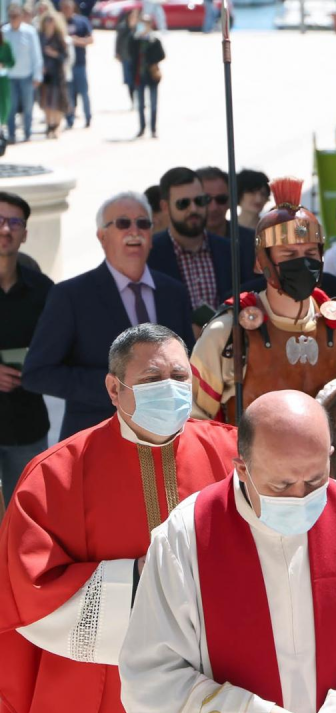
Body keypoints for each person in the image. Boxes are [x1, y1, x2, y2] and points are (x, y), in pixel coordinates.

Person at [119, 390, 336, 713]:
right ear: (242, 469)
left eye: (314, 480)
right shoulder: (186, 536)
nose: (300, 496)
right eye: (281, 485)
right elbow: (151, 677)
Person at [0, 324, 238, 713]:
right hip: (103, 680)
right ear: (114, 390)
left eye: (179, 377)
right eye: (151, 379)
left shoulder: (233, 454)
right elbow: (28, 587)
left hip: (215, 666)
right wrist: (141, 576)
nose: (170, 387)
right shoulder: (55, 474)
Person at [190, 177, 336, 423]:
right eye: (289, 254)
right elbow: (194, 422)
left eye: (310, 253)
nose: (302, 262)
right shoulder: (227, 334)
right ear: (261, 263)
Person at [22, 192, 194, 439]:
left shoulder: (173, 292)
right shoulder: (71, 295)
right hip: (95, 436)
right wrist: (121, 386)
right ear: (102, 236)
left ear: (151, 236)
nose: (134, 231)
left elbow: (188, 362)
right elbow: (37, 373)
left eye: (143, 223)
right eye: (123, 223)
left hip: (167, 436)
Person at [0, 191, 51, 508]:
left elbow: (60, 345)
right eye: (0, 221)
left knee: (28, 512)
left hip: (26, 422)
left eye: (14, 222)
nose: (6, 229)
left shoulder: (43, 289)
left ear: (25, 233)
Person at [148, 166, 255, 313]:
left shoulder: (231, 250)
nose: (193, 209)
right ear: (165, 206)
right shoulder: (150, 254)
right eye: (183, 203)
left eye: (199, 201)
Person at [195, 165, 258, 263]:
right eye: (205, 199)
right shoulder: (179, 244)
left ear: (231, 201)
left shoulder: (252, 242)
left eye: (221, 199)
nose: (214, 207)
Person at [2, 3, 42, 144]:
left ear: (21, 17)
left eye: (16, 16)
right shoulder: (4, 32)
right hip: (9, 77)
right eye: (11, 17)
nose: (14, 19)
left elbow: (36, 55)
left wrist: (37, 75)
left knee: (28, 106)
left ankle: (27, 133)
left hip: (26, 76)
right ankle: (11, 134)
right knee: (10, 107)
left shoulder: (29, 32)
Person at [36, 8, 68, 139]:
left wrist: (54, 54)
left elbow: (65, 56)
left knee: (57, 102)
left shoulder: (59, 37)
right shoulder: (40, 37)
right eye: (47, 21)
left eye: (51, 21)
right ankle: (49, 125)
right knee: (45, 101)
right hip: (44, 74)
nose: (49, 23)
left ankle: (56, 126)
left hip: (57, 73)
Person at [130, 14, 163, 138]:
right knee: (141, 104)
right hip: (139, 76)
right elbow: (130, 54)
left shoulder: (154, 40)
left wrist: (151, 62)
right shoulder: (135, 39)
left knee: (153, 104)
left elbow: (161, 55)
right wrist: (136, 36)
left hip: (151, 77)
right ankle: (142, 127)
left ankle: (153, 128)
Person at [61, 0, 91, 129]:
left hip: (79, 63)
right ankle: (69, 118)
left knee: (83, 92)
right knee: (68, 93)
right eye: (64, 7)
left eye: (68, 7)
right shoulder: (59, 22)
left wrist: (76, 41)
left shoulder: (82, 21)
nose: (67, 10)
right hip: (65, 65)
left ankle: (88, 117)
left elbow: (91, 39)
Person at [115, 8, 136, 108]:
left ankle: (139, 100)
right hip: (126, 56)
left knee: (138, 80)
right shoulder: (122, 27)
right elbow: (118, 41)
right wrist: (117, 53)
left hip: (137, 58)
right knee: (129, 80)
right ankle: (133, 101)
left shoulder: (139, 26)